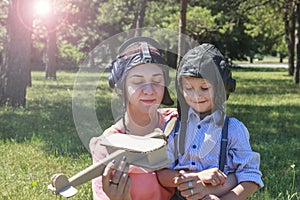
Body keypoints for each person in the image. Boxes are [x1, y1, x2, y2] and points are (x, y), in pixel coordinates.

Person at [157, 43, 264, 199]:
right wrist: (198, 177)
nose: (196, 96)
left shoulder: (232, 129)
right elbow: (162, 174)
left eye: (204, 88)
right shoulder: (175, 126)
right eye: (188, 88)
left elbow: (250, 175)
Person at [89, 37, 178, 200]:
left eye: (157, 81)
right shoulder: (107, 145)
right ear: (120, 87)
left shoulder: (177, 122)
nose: (149, 90)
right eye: (137, 82)